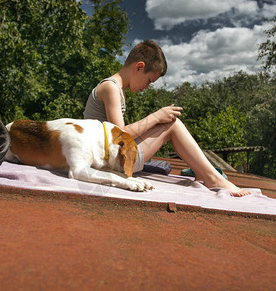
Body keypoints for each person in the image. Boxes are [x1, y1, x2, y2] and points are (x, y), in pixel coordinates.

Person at [83, 40, 251, 197]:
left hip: (109, 157)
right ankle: (212, 178)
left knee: (170, 122)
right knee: (173, 125)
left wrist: (156, 120)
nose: (146, 87)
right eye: (148, 81)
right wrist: (156, 116)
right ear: (139, 67)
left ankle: (204, 173)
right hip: (109, 162)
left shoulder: (116, 88)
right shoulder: (111, 88)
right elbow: (118, 136)